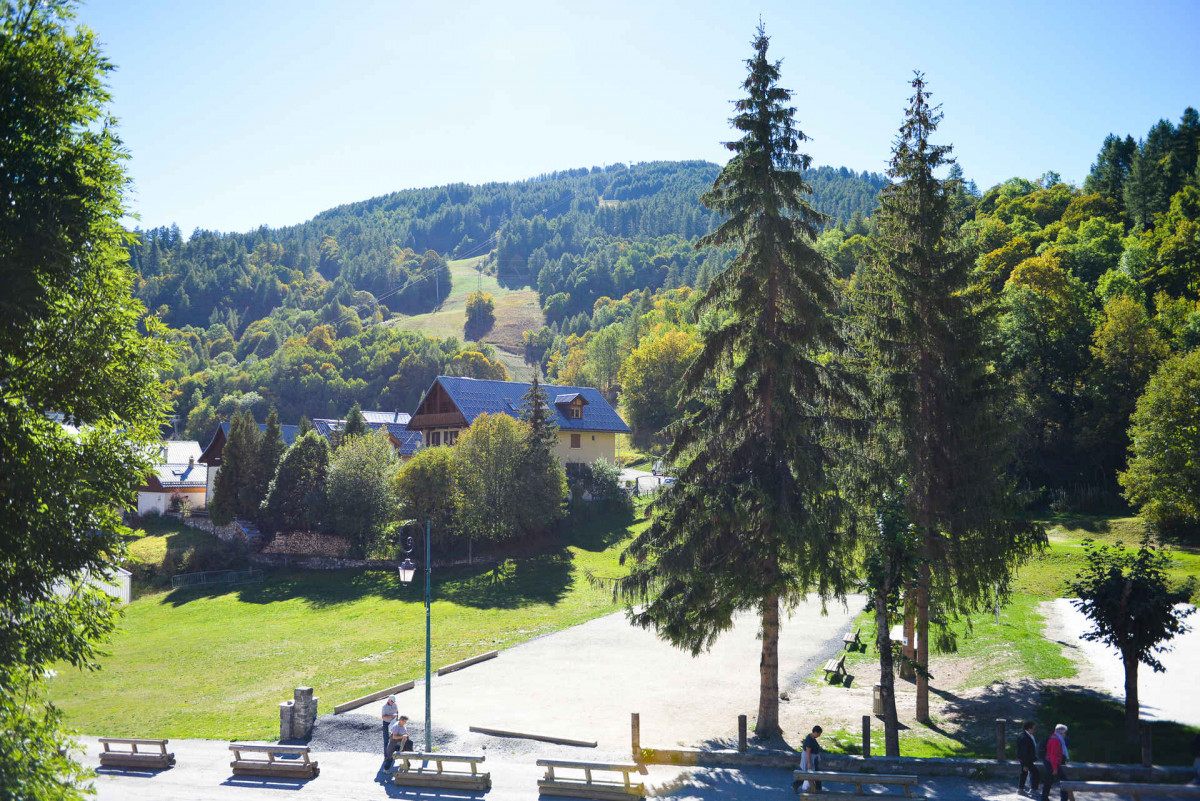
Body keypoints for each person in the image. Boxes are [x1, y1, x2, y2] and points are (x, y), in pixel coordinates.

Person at [1041, 723, 1070, 801]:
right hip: (1052, 763)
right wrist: (1055, 769)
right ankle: (1064, 799)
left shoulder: (1054, 737)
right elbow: (1053, 755)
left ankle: (1044, 797)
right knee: (1064, 781)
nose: (1065, 734)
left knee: (1049, 780)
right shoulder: (1055, 740)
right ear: (1061, 733)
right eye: (1065, 733)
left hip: (1049, 762)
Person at [791, 725, 824, 794]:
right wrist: (809, 763)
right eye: (819, 734)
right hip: (809, 758)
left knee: (810, 774)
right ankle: (818, 789)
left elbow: (814, 747)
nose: (819, 735)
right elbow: (808, 752)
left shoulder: (812, 737)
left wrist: (819, 753)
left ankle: (796, 784)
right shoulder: (809, 740)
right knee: (812, 774)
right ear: (815, 732)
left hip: (813, 758)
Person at [1017, 720, 1041, 795]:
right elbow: (1023, 751)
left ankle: (1021, 789)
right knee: (1035, 773)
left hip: (1026, 759)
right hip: (1026, 759)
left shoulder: (1025, 735)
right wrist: (1025, 764)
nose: (1034, 730)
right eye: (1033, 728)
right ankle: (1033, 789)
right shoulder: (1025, 737)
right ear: (1029, 728)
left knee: (1024, 773)